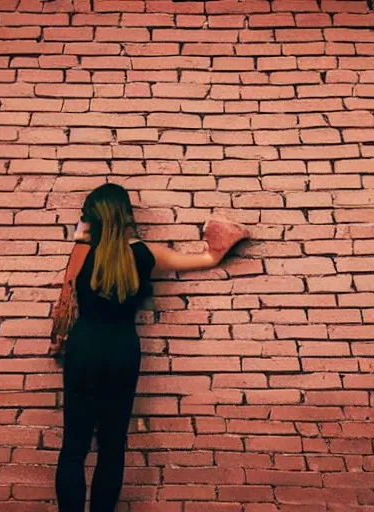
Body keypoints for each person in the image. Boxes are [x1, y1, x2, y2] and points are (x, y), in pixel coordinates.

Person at [54, 183, 250, 512]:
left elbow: (68, 286)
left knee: (74, 447)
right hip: (122, 351)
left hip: (84, 347)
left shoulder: (82, 250)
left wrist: (87, 220)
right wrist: (219, 240)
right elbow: (207, 259)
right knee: (113, 446)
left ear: (93, 218)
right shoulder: (148, 254)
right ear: (127, 215)